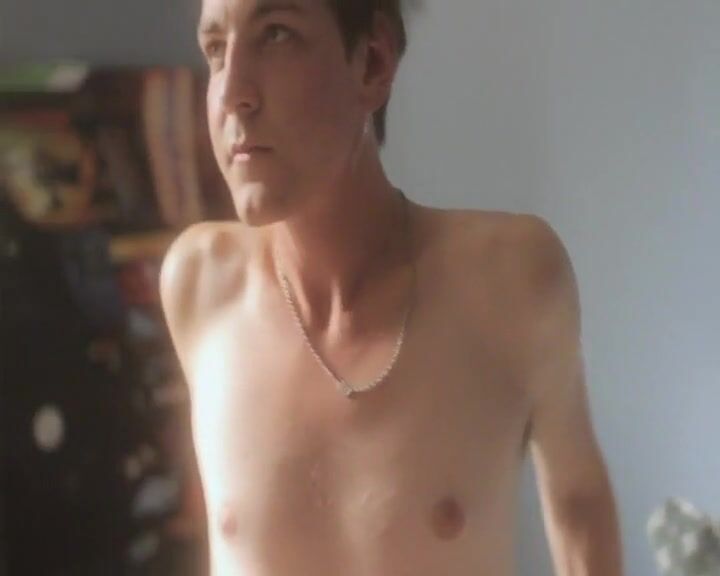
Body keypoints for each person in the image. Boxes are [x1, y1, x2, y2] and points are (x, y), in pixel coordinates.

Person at [160, 0, 625, 574]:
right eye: (215, 50)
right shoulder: (201, 286)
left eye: (276, 34)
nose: (232, 94)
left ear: (373, 63)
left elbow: (578, 502)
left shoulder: (510, 279)